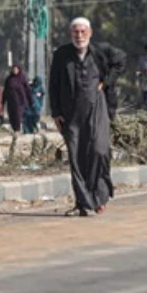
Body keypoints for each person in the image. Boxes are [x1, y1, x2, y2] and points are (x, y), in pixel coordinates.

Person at [48, 18, 125, 217]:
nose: (79, 36)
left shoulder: (101, 51)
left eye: (83, 32)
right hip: (71, 113)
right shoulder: (61, 55)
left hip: (97, 109)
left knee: (100, 150)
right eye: (75, 32)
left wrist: (106, 82)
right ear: (70, 34)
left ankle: (99, 195)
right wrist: (55, 112)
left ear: (90, 33)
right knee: (77, 158)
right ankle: (83, 203)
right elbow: (53, 84)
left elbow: (121, 61)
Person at [1, 64, 32, 133]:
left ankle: (17, 130)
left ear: (19, 70)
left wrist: (30, 101)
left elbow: (27, 90)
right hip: (11, 101)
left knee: (17, 115)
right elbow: (5, 91)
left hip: (20, 101)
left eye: (16, 69)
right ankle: (15, 129)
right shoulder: (9, 79)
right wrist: (3, 102)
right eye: (13, 69)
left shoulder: (22, 78)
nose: (14, 70)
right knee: (11, 116)